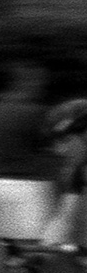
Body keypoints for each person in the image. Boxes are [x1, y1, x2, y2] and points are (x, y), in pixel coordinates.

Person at [39, 98, 87, 252]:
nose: (59, 151)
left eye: (65, 140)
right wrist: (44, 248)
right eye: (55, 143)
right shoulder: (75, 171)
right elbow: (65, 215)